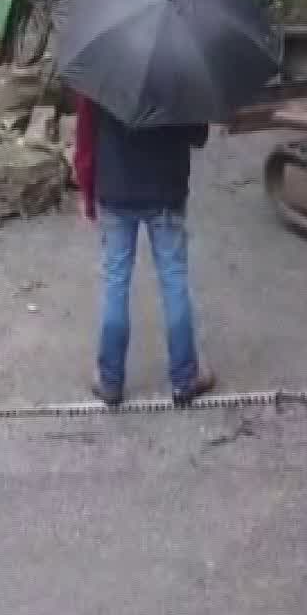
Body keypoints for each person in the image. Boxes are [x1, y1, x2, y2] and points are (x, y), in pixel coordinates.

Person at [72, 91, 216, 407]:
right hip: (166, 189)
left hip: (115, 190)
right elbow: (198, 135)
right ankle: (185, 377)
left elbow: (85, 136)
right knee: (173, 279)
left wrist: (86, 191)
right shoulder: (179, 70)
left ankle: (110, 380)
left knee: (115, 282)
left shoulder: (102, 69)